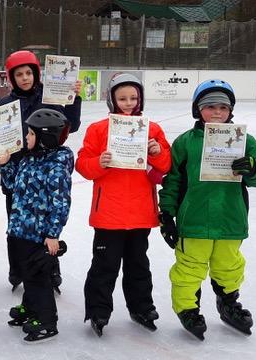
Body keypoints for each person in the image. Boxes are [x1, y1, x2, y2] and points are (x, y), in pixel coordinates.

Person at [158, 79, 256, 340]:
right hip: (194, 220)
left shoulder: (245, 141)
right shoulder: (186, 142)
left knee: (229, 267)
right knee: (189, 268)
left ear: (231, 110)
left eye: (223, 106)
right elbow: (173, 180)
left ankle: (228, 302)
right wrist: (166, 215)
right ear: (198, 109)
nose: (217, 112)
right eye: (209, 106)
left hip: (230, 220)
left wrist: (253, 168)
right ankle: (188, 309)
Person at [75, 73, 171, 337]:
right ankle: (98, 310)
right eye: (122, 98)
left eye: (133, 98)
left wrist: (156, 152)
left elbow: (166, 166)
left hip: (141, 212)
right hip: (109, 214)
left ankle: (142, 307)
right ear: (111, 100)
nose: (128, 103)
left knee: (138, 265)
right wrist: (99, 162)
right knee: (104, 266)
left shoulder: (152, 129)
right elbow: (82, 164)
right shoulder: (98, 129)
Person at [0, 50, 82, 292]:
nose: (25, 78)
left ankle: (50, 268)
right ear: (12, 78)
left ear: (36, 74)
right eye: (19, 74)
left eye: (29, 73)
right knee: (16, 225)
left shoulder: (49, 99)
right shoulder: (4, 105)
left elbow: (72, 125)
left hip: (44, 174)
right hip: (16, 176)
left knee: (45, 224)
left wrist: (75, 98)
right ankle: (17, 268)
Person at [0, 108, 73, 343]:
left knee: (38, 277)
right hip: (19, 229)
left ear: (45, 138)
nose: (26, 138)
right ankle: (30, 308)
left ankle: (47, 320)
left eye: (31, 134)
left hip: (39, 235)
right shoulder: (29, 159)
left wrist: (52, 235)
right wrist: (6, 164)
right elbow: (11, 186)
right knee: (26, 273)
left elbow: (61, 203)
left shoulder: (57, 166)